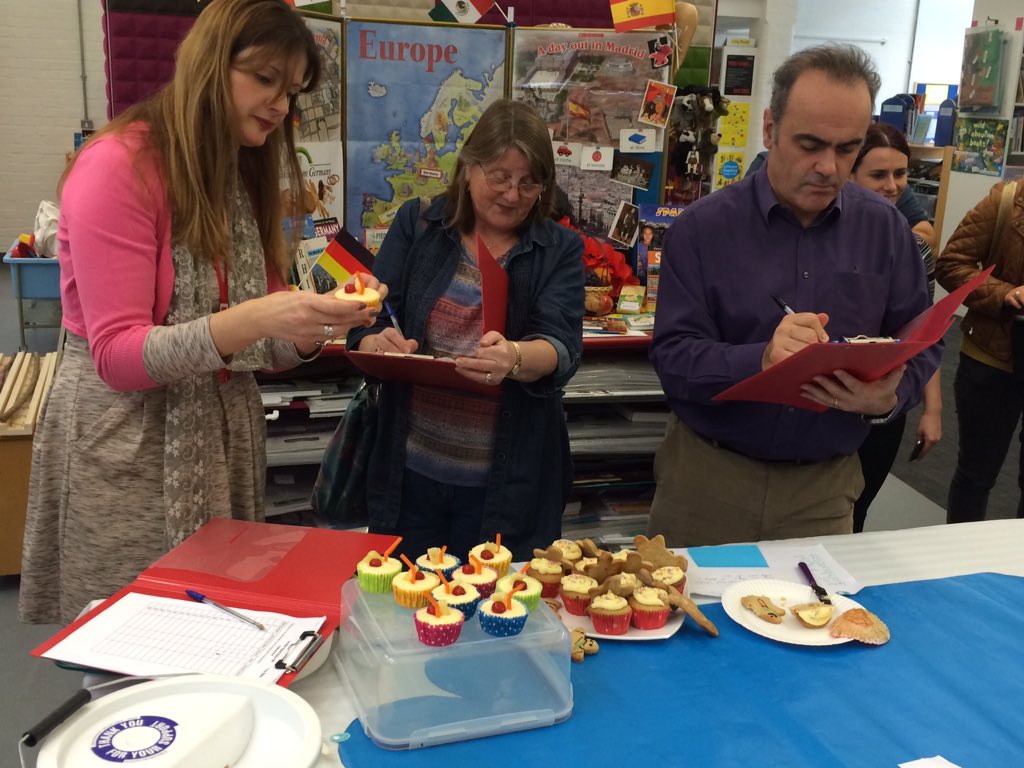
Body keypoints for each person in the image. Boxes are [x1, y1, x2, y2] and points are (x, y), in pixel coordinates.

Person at [19, 0, 384, 625]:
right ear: (211, 63)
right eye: (264, 78)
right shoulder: (119, 164)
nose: (279, 105)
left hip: (220, 442)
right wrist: (260, 317)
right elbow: (116, 357)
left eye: (291, 90)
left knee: (219, 628)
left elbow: (266, 349)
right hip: (129, 447)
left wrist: (318, 323)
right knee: (133, 650)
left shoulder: (241, 172)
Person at [647, 44, 940, 547]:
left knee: (815, 622)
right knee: (685, 619)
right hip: (709, 482)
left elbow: (923, 339)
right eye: (809, 144)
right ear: (769, 129)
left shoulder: (886, 231)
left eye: (848, 148)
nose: (828, 166)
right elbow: (673, 358)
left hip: (823, 490)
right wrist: (760, 359)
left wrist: (892, 395)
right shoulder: (701, 230)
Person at [348, 99, 585, 562]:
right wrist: (380, 343)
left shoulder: (559, 249)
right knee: (408, 611)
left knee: (500, 617)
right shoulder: (419, 224)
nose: (512, 195)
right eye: (498, 176)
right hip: (409, 476)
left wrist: (515, 357)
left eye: (528, 183)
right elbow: (370, 319)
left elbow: (562, 347)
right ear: (468, 168)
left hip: (509, 487)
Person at [848, 122, 942, 532]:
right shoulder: (825, 237)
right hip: (827, 395)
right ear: (849, 172)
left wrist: (932, 409)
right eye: (878, 175)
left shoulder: (913, 245)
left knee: (858, 511)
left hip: (886, 398)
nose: (892, 185)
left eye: (900, 174)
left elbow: (924, 330)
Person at [935, 180, 1024, 522]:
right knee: (976, 474)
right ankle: (959, 565)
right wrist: (1006, 293)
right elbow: (951, 264)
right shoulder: (1006, 201)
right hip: (992, 358)